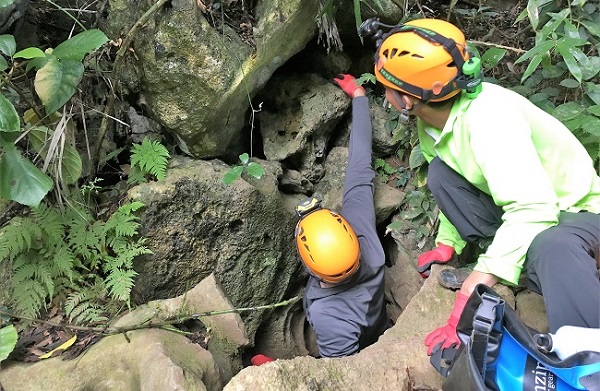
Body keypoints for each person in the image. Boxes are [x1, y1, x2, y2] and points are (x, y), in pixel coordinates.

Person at [364, 17, 600, 357]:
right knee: (441, 174)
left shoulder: (489, 120)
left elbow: (535, 208)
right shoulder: (433, 122)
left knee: (551, 248)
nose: (384, 93)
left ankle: (586, 356)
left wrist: (471, 291)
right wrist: (449, 241)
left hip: (578, 214)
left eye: (387, 86)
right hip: (530, 208)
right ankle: (511, 262)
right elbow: (454, 171)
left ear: (407, 99)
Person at [252, 74, 390, 364]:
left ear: (308, 265)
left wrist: (272, 371)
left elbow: (336, 374)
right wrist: (360, 98)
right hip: (376, 321)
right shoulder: (363, 229)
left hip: (359, 346)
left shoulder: (330, 318)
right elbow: (360, 163)